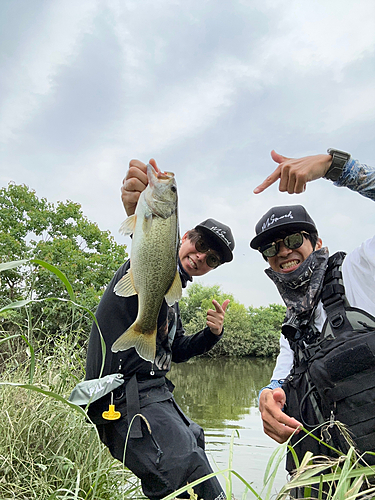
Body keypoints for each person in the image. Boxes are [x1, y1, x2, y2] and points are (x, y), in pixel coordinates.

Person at [85, 158, 235, 500]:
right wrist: (140, 213)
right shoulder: (151, 268)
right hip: (126, 399)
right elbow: (149, 245)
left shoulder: (172, 296)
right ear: (183, 237)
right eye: (199, 245)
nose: (201, 257)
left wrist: (211, 335)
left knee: (195, 442)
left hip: (158, 397)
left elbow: (176, 350)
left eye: (212, 259)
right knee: (199, 489)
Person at [251, 149, 375, 497]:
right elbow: (277, 380)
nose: (283, 252)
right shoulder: (291, 329)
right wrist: (266, 399)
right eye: (271, 249)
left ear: (316, 242)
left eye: (293, 240)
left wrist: (337, 167)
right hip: (323, 484)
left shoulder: (362, 270)